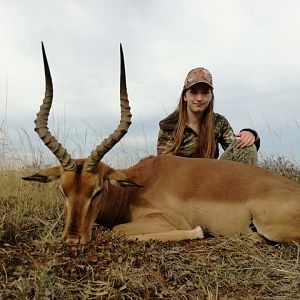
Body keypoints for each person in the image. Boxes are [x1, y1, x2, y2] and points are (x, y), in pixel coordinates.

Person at [157, 67, 260, 165]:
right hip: (182, 179)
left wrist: (251, 135)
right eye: (193, 92)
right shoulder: (169, 125)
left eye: (205, 92)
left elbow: (236, 149)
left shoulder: (219, 122)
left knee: (247, 147)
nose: (199, 98)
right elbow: (165, 165)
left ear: (211, 96)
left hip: (211, 178)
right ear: (185, 96)